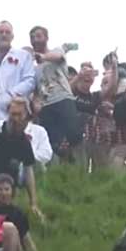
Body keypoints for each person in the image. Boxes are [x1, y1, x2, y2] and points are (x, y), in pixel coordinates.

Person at [0, 97, 52, 218]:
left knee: (7, 191)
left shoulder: (24, 142)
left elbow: (28, 170)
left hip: (8, 180)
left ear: (27, 118)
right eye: (13, 114)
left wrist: (33, 203)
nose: (15, 119)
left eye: (19, 115)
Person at [28, 27, 81, 160]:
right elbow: (35, 90)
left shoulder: (55, 51)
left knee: (73, 134)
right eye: (32, 37)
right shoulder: (33, 68)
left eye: (38, 36)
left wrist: (43, 57)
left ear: (46, 37)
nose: (35, 40)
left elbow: (59, 56)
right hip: (46, 106)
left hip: (63, 99)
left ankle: (77, 163)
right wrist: (35, 104)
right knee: (54, 142)